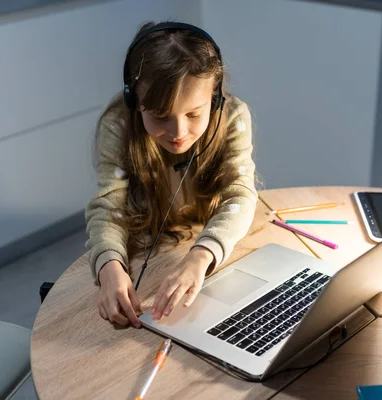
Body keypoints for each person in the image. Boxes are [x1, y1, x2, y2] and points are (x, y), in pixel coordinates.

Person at [85, 21, 258, 329]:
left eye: (194, 114)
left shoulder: (232, 116)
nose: (179, 132)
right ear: (134, 101)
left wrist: (201, 256)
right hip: (145, 244)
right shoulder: (118, 126)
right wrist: (109, 267)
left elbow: (240, 195)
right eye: (160, 116)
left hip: (207, 239)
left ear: (216, 98)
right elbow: (107, 209)